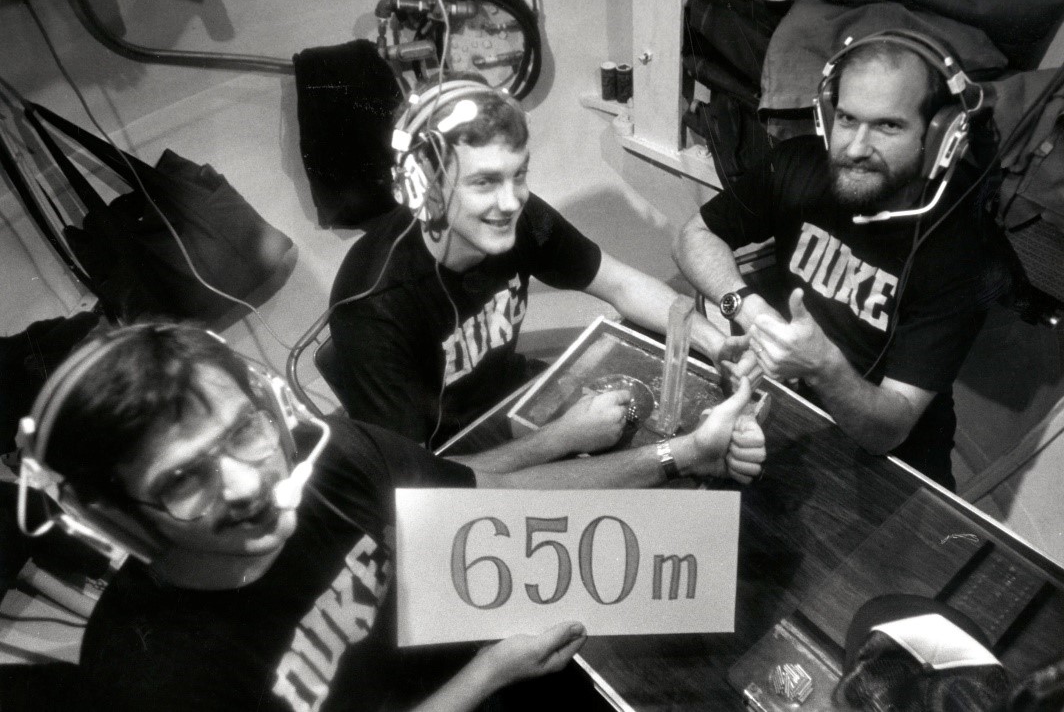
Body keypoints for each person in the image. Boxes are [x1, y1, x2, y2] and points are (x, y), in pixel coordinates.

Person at [17, 323, 766, 711]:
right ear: (111, 519)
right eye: (182, 476)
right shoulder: (150, 684)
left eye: (246, 430)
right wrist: (487, 675)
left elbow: (490, 497)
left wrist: (678, 456)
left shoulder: (335, 456)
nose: (252, 484)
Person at [329, 82, 755, 453]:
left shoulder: (520, 218)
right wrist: (562, 439)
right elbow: (415, 485)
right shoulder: (372, 306)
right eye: (485, 182)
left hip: (514, 401)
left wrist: (715, 344)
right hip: (451, 456)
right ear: (425, 186)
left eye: (519, 175)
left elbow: (620, 283)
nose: (512, 201)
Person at [673, 31, 1005, 491]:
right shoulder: (798, 165)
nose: (854, 148)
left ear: (940, 135)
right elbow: (695, 234)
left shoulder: (965, 253)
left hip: (889, 461)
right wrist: (751, 310)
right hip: (793, 411)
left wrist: (822, 365)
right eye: (847, 119)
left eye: (887, 126)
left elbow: (891, 429)